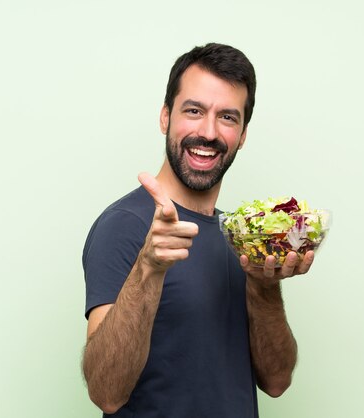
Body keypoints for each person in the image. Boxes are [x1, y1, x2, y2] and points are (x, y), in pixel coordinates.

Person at [81, 43, 315, 417]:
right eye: (194, 111)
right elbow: (106, 392)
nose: (208, 132)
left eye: (227, 117)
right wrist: (149, 268)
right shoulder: (126, 225)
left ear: (242, 134)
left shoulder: (239, 236)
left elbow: (276, 381)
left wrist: (263, 285)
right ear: (165, 118)